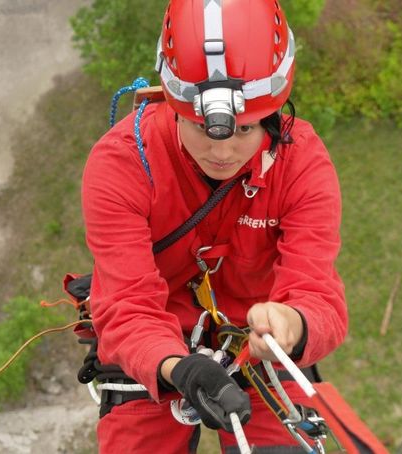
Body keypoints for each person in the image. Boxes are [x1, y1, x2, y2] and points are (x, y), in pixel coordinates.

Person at [80, 0, 348, 452]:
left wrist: (291, 323)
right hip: (152, 342)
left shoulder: (301, 162)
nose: (222, 152)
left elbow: (319, 297)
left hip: (258, 342)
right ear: (173, 103)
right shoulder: (122, 163)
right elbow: (127, 305)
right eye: (200, 127)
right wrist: (176, 366)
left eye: (246, 130)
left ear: (273, 113)